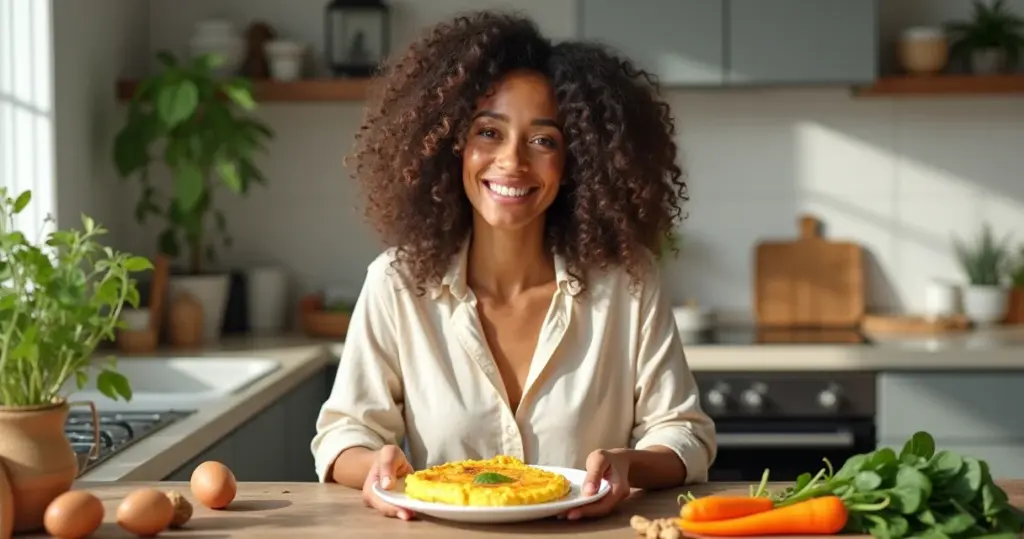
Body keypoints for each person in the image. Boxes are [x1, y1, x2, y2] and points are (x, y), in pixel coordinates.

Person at [310, 10, 717, 521]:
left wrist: (628, 466)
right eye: (489, 132)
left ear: (576, 162)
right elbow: (344, 433)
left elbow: (684, 431)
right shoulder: (397, 283)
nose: (512, 161)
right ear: (450, 145)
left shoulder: (626, 281)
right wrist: (374, 464)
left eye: (543, 140)